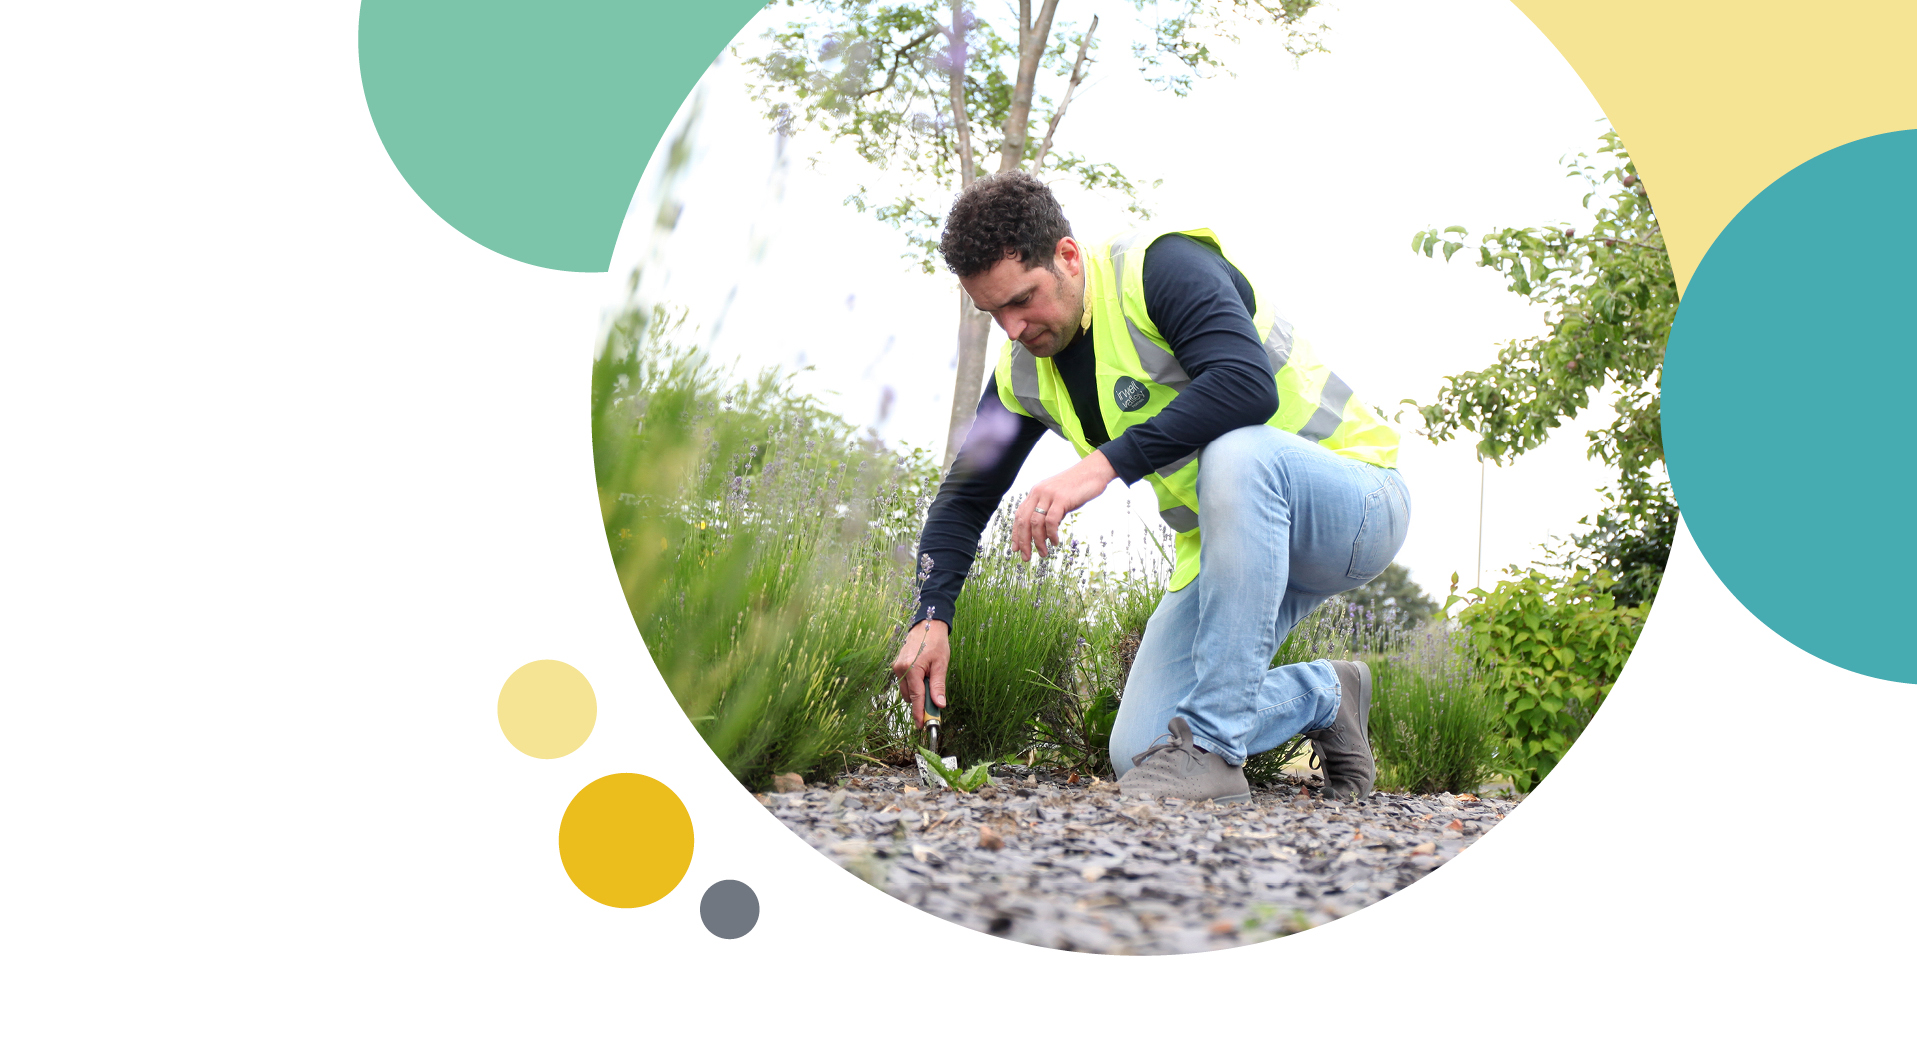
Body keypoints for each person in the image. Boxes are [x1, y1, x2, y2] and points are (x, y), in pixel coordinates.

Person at [890, 172, 1409, 803]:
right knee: (1141, 751)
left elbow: (1247, 384)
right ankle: (1327, 694)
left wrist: (1100, 466)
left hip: (1354, 504)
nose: (1013, 327)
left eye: (1022, 299)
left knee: (1238, 452)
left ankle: (1215, 752)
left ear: (1068, 256)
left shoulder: (1160, 268)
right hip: (1233, 551)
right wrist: (931, 614)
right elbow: (965, 497)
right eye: (993, 311)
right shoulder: (1021, 373)